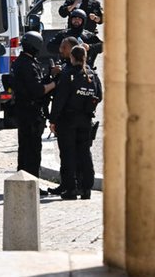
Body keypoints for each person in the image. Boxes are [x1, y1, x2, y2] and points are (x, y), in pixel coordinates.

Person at [48, 46, 103, 200]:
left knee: (68, 154)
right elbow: (99, 95)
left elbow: (60, 100)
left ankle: (71, 189)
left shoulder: (68, 74)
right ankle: (86, 188)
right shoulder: (92, 74)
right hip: (85, 120)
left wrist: (53, 120)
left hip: (68, 120)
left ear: (72, 57)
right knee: (85, 153)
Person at [9, 31, 56, 184]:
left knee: (25, 149)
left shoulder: (22, 62)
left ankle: (23, 181)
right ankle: (31, 182)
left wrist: (48, 77)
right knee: (32, 151)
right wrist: (55, 83)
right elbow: (37, 90)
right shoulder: (27, 64)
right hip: (30, 113)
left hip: (24, 111)